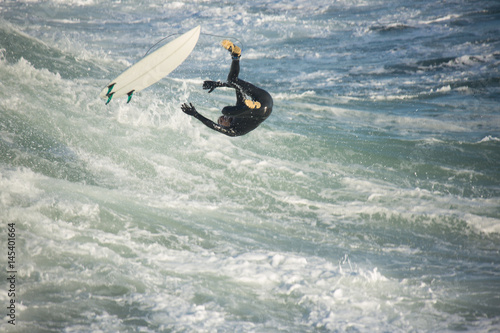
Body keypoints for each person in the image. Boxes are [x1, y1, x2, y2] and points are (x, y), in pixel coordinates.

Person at [181, 40, 273, 137]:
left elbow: (237, 87)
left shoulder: (239, 106)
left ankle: (236, 55)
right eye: (221, 121)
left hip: (263, 98)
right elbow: (212, 125)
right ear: (224, 126)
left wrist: (218, 84)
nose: (223, 118)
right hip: (263, 110)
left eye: (221, 119)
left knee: (232, 80)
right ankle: (252, 107)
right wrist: (196, 114)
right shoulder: (234, 131)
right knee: (226, 110)